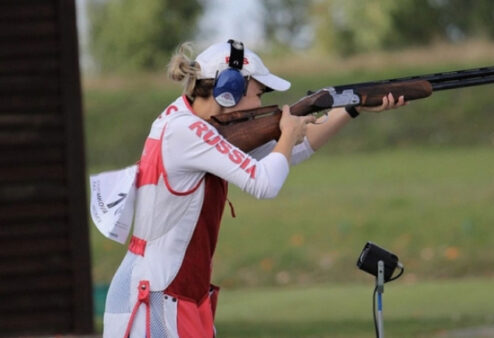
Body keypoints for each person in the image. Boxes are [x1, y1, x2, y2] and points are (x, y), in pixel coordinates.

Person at [101, 40, 405, 337]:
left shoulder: (194, 125)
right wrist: (287, 134)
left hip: (175, 294)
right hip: (155, 297)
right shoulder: (186, 131)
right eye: (259, 93)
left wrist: (352, 108)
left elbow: (289, 154)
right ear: (229, 89)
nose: (261, 104)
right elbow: (265, 183)